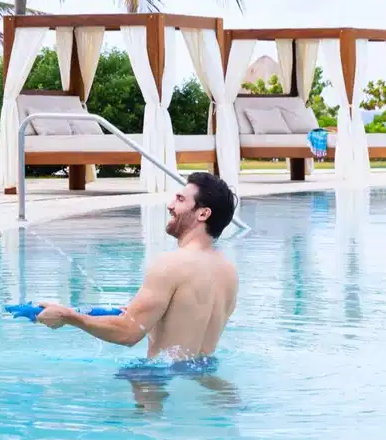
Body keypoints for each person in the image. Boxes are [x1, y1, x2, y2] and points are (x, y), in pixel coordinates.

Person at [35, 173, 240, 408]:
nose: (170, 205)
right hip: (205, 371)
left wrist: (69, 316)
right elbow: (188, 320)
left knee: (133, 410)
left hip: (159, 374)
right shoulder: (228, 270)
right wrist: (148, 316)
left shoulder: (171, 264)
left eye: (180, 199)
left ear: (203, 213)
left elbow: (128, 333)